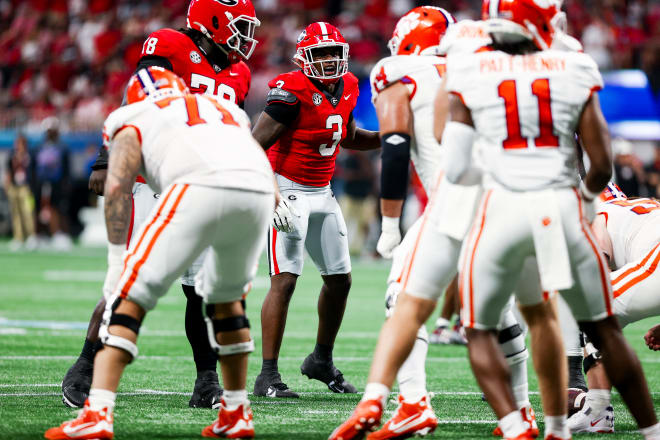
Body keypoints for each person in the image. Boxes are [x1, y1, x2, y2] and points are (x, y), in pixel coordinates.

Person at [441, 1, 659, 439]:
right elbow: (600, 165)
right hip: (561, 205)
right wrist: (583, 202)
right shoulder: (574, 67)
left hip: (503, 206)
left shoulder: (471, 72)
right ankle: (640, 429)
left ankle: (521, 420)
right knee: (590, 322)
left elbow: (455, 165)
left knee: (479, 326)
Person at [330, 7, 539, 440]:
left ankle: (411, 403)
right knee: (499, 313)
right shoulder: (486, 66)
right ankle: (523, 412)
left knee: (401, 299)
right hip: (515, 197)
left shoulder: (398, 69)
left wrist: (389, 223)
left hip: (457, 199)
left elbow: (394, 144)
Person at [45, 67, 275, 440]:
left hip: (198, 187)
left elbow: (118, 185)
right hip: (259, 191)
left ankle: (98, 413)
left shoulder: (132, 114)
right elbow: (254, 156)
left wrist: (119, 263)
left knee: (131, 296)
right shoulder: (222, 106)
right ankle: (236, 410)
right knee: (227, 302)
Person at [63, 0, 260, 409]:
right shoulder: (170, 44)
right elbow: (135, 101)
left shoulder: (239, 72)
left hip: (199, 182)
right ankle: (85, 366)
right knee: (127, 278)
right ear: (214, 22)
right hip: (150, 179)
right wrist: (106, 157)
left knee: (201, 290)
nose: (248, 36)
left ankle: (207, 381)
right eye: (240, 25)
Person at [250, 21, 380, 398]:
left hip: (322, 192)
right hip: (286, 188)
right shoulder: (290, 92)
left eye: (332, 53)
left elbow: (350, 137)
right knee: (285, 280)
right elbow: (253, 147)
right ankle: (267, 375)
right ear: (304, 58)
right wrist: (271, 195)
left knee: (340, 279)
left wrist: (392, 139)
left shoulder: (351, 86)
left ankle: (321, 360)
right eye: (319, 53)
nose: (326, 61)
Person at [562, 183, 660, 433]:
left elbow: (599, 267)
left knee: (592, 305)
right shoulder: (636, 208)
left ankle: (598, 412)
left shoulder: (594, 211)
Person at [4, 134, 37, 251]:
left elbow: (33, 172)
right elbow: (8, 171)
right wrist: (7, 186)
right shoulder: (12, 155)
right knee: (16, 213)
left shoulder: (30, 155)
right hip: (14, 187)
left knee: (28, 211)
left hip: (26, 188)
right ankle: (18, 237)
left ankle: (31, 236)